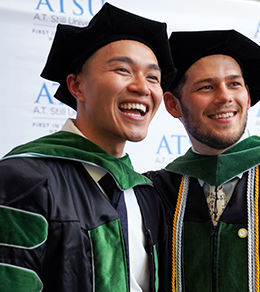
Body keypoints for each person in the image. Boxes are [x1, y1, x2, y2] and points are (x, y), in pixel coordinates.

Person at [0, 3, 176, 292]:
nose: (142, 87)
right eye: (123, 69)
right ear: (77, 86)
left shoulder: (144, 193)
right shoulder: (22, 180)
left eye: (153, 77)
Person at [146, 29, 260, 292]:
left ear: (247, 96)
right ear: (172, 104)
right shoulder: (156, 192)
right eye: (207, 87)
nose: (225, 97)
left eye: (234, 84)